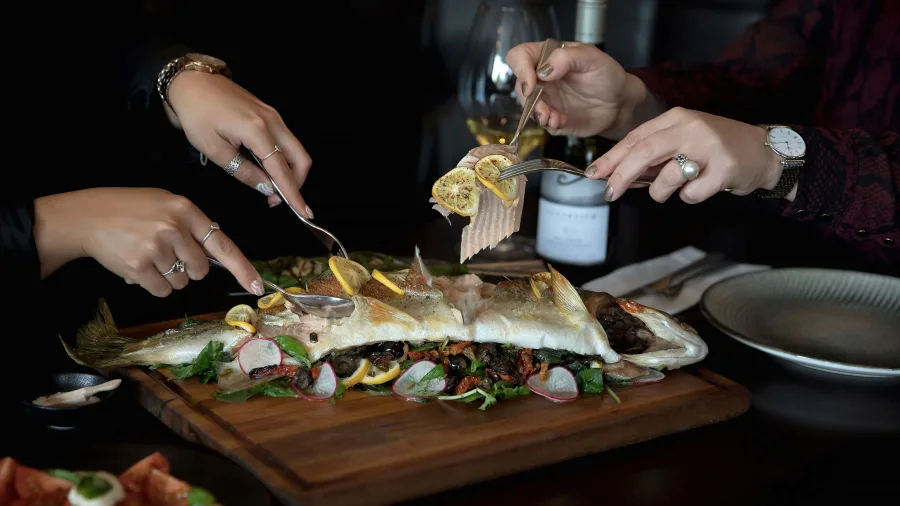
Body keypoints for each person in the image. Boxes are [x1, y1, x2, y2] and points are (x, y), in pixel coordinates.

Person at [506, 0, 898, 266]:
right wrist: (632, 104)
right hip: (777, 282)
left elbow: (759, 149)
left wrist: (776, 161)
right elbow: (750, 80)